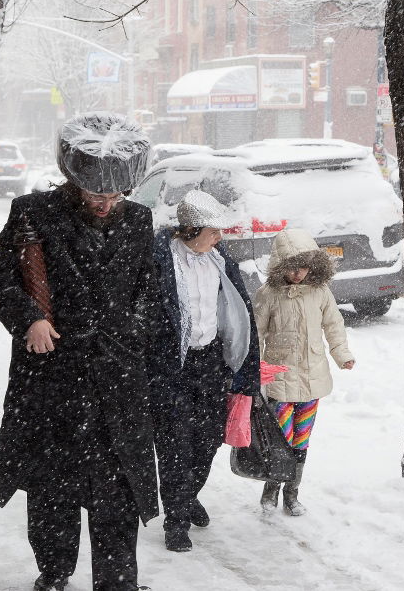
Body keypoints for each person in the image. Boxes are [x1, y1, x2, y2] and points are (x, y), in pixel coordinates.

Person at [0, 113, 158, 591]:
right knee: (52, 489)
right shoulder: (32, 213)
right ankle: (54, 575)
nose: (106, 204)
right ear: (72, 178)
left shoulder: (141, 220)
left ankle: (118, 583)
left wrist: (135, 335)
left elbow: (150, 290)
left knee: (118, 493)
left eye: (115, 196)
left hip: (117, 386)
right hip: (53, 381)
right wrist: (29, 320)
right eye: (95, 195)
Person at [150, 189, 260, 553]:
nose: (220, 237)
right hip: (171, 364)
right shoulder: (161, 258)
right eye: (214, 231)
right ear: (192, 229)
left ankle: (187, 494)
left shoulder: (218, 258)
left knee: (209, 438)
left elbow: (239, 309)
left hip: (209, 360)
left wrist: (245, 365)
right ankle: (176, 519)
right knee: (174, 443)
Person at [253, 228, 355, 516]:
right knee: (281, 438)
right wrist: (252, 367)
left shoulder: (320, 293)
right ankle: (272, 487)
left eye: (303, 267)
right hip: (280, 377)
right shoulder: (269, 295)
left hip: (312, 378)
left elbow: (334, 325)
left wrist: (342, 354)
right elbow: (256, 332)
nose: (298, 273)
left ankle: (292, 492)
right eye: (291, 267)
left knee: (302, 439)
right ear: (279, 266)